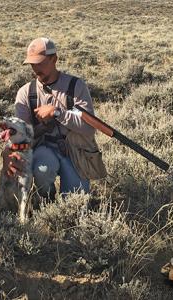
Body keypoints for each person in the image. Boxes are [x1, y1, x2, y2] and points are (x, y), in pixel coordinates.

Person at [14, 37, 105, 199]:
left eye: (41, 63)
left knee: (76, 202)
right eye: (32, 64)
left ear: (54, 59)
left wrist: (57, 113)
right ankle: (46, 201)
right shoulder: (25, 93)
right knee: (42, 171)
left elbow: (88, 127)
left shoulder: (76, 87)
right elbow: (22, 135)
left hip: (75, 151)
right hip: (44, 148)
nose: (36, 69)